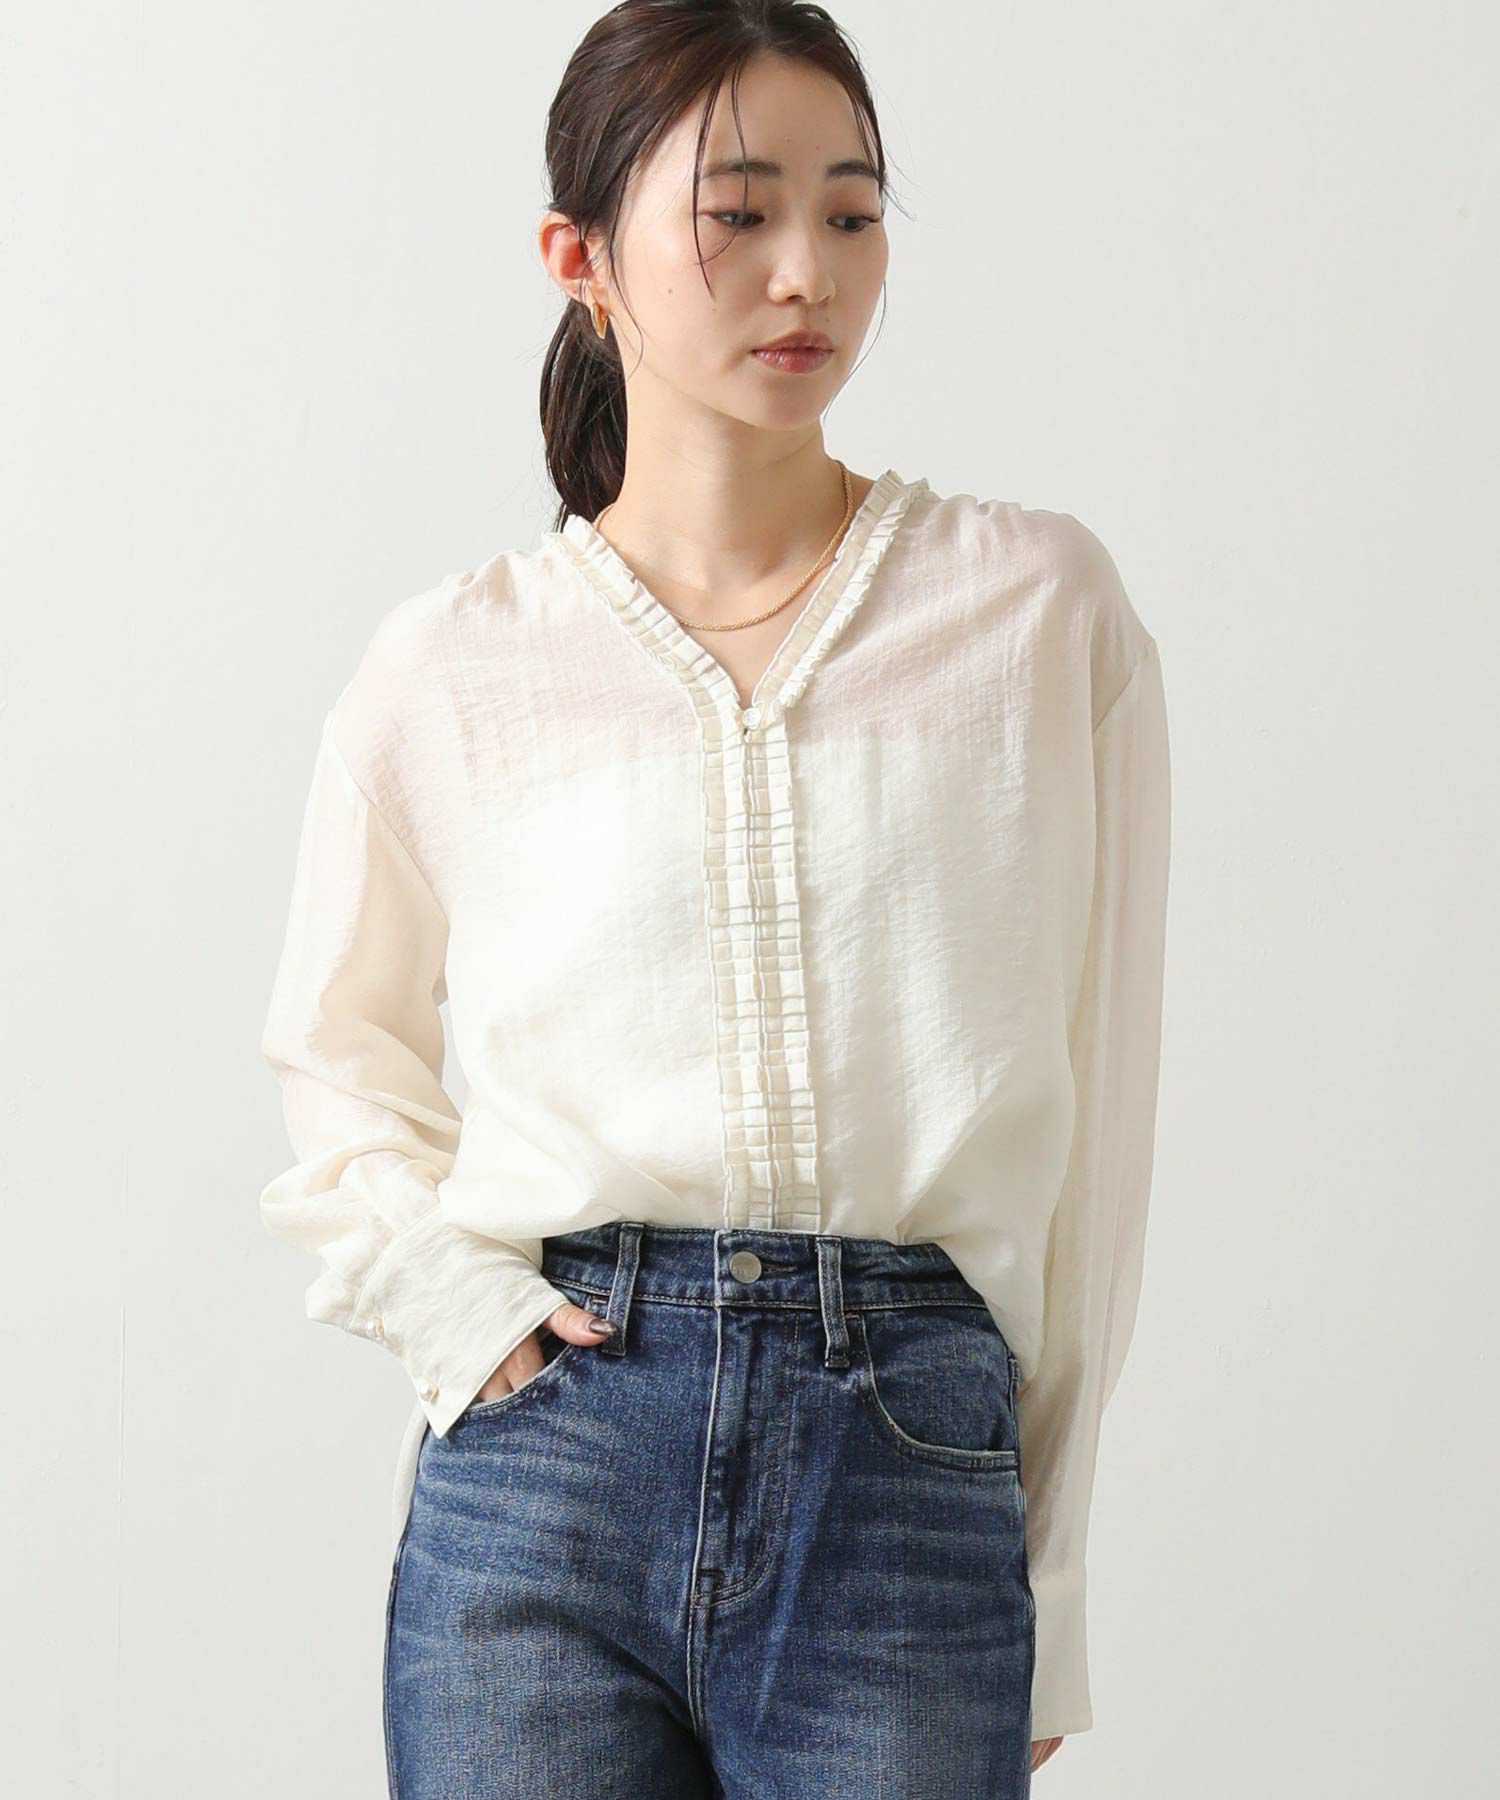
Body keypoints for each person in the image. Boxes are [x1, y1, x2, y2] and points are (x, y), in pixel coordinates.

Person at [257, 5, 1171, 1795]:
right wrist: (458, 1319)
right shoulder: (450, 668)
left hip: (905, 1469)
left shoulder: (1036, 615)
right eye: (737, 213)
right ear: (579, 260)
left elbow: (1101, 1125)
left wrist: (1051, 1574)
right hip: (543, 1475)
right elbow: (334, 1059)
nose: (804, 271)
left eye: (852, 212)